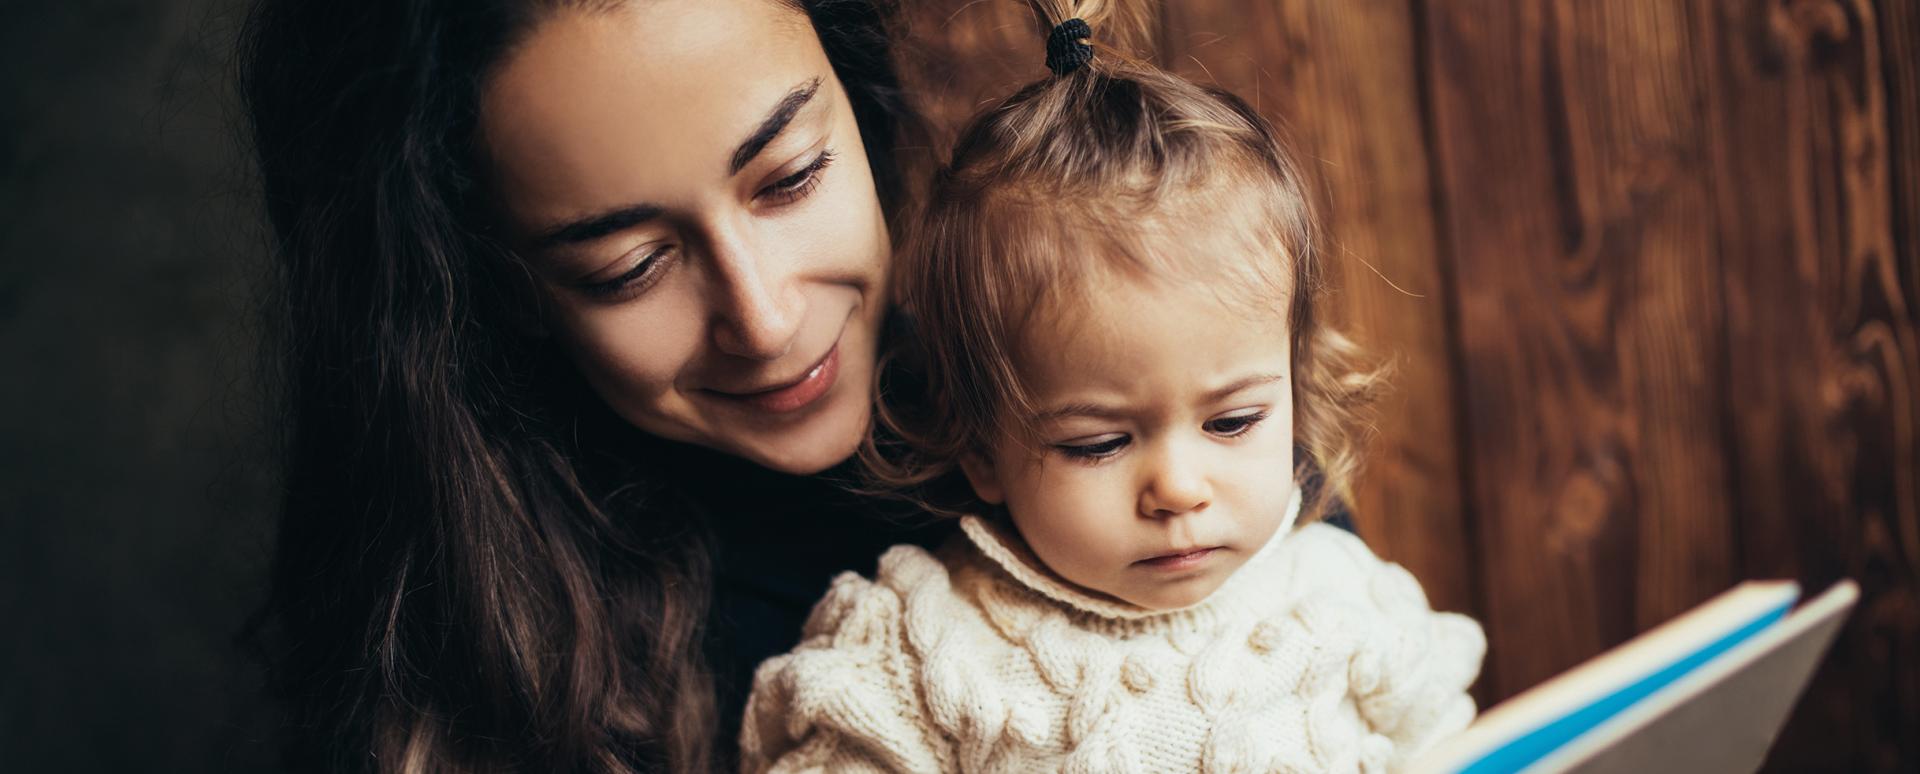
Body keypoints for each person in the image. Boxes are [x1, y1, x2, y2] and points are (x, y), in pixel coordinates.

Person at [738, 2, 1485, 771]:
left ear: (1294, 394)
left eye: (1232, 423)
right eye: (1097, 444)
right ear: (981, 450)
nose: (1178, 489)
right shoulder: (920, 659)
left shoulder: (1347, 602)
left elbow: (1456, 746)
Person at [237, 0, 944, 770]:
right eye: (630, 269)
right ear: (505, 291)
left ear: (861, 92)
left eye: (792, 178)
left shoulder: (1042, 358)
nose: (765, 321)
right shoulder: (504, 692)